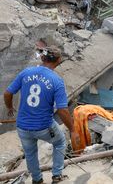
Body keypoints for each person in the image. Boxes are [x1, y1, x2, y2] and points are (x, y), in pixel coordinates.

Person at [3, 46, 80, 184]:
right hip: (44, 126)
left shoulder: (26, 73)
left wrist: (9, 107)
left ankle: (37, 180)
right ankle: (56, 176)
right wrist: (73, 130)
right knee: (60, 142)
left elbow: (8, 93)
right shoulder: (56, 80)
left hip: (22, 127)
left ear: (43, 58)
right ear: (58, 60)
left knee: (30, 154)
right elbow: (62, 110)